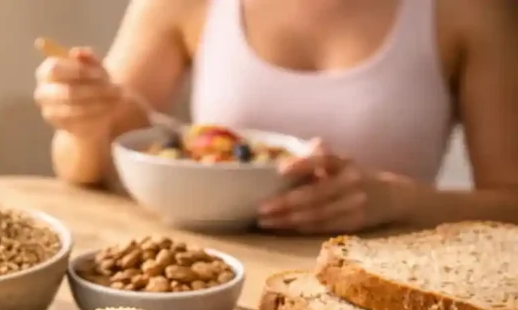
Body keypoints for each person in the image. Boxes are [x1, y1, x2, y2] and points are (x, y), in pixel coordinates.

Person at [34, 0, 518, 234]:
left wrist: (400, 201)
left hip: (392, 294)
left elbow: (510, 203)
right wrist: (84, 122)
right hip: (220, 284)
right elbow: (82, 168)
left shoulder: (472, 11)